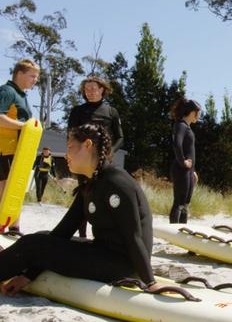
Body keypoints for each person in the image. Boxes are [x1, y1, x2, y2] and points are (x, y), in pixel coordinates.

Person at [0, 123, 163, 296]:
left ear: (87, 145)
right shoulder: (91, 183)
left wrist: (150, 282)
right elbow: (63, 231)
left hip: (121, 264)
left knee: (32, 244)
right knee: (41, 237)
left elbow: (134, 236)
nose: (66, 154)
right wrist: (29, 275)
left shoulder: (117, 183)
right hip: (102, 253)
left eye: (70, 147)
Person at [68, 75, 124, 237]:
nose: (90, 92)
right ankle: (82, 235)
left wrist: (110, 151)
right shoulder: (77, 111)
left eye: (94, 88)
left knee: (103, 195)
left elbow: (121, 137)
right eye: (87, 89)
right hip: (83, 161)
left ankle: (103, 233)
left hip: (104, 161)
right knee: (84, 195)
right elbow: (70, 136)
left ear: (102, 90)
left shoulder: (111, 111)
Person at [0, 59, 40, 232]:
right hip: (4, 148)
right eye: (32, 76)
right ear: (20, 74)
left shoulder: (22, 95)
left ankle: (14, 225)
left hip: (19, 150)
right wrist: (23, 126)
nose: (35, 80)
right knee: (4, 187)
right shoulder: (7, 91)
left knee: (17, 186)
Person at [169, 97, 201, 224]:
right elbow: (177, 144)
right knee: (179, 201)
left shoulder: (187, 128)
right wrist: (183, 162)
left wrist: (193, 171)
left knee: (186, 203)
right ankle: (174, 232)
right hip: (181, 170)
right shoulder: (180, 125)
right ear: (192, 112)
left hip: (188, 171)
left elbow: (189, 151)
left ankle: (182, 231)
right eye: (197, 113)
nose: (198, 116)